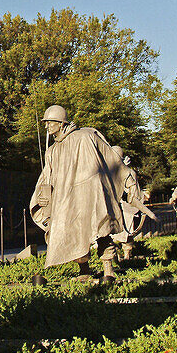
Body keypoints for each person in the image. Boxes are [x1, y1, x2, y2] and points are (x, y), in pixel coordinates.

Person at [30, 106, 128, 281]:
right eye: (45, 123)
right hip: (66, 199)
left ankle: (108, 271)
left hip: (91, 194)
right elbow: (48, 176)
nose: (47, 126)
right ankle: (84, 271)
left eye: (50, 122)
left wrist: (120, 180)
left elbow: (110, 157)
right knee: (72, 232)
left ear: (61, 123)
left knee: (102, 231)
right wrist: (43, 195)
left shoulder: (85, 137)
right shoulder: (52, 150)